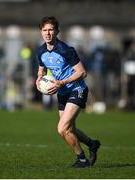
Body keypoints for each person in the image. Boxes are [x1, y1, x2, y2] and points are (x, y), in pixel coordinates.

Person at [36, 16, 101, 168]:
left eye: (51, 29)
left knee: (62, 128)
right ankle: (92, 144)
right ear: (41, 32)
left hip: (77, 89)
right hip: (62, 93)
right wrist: (39, 79)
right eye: (44, 30)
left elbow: (82, 72)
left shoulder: (66, 50)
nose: (48, 33)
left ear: (57, 31)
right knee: (69, 128)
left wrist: (62, 82)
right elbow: (41, 69)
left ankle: (82, 160)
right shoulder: (40, 51)